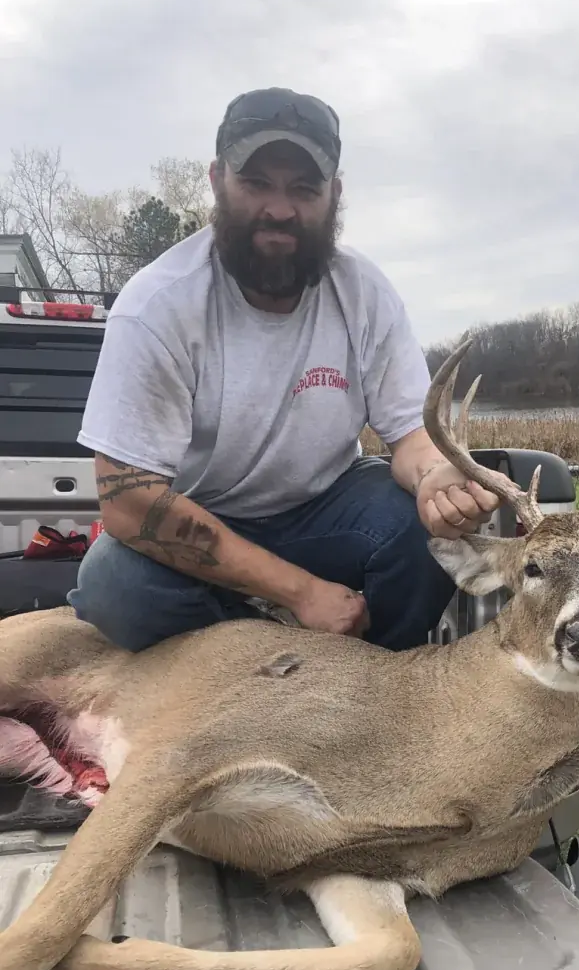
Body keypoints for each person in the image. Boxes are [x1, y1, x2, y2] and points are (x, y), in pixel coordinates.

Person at [67, 86, 506, 653]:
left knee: (419, 535)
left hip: (328, 511)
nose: (279, 210)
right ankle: (270, 661)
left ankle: (380, 686)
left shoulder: (365, 293)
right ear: (217, 180)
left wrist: (434, 480)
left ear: (335, 195)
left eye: (303, 189)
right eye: (256, 184)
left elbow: (412, 436)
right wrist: (300, 593)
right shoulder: (158, 306)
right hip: (203, 514)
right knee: (114, 585)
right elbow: (128, 502)